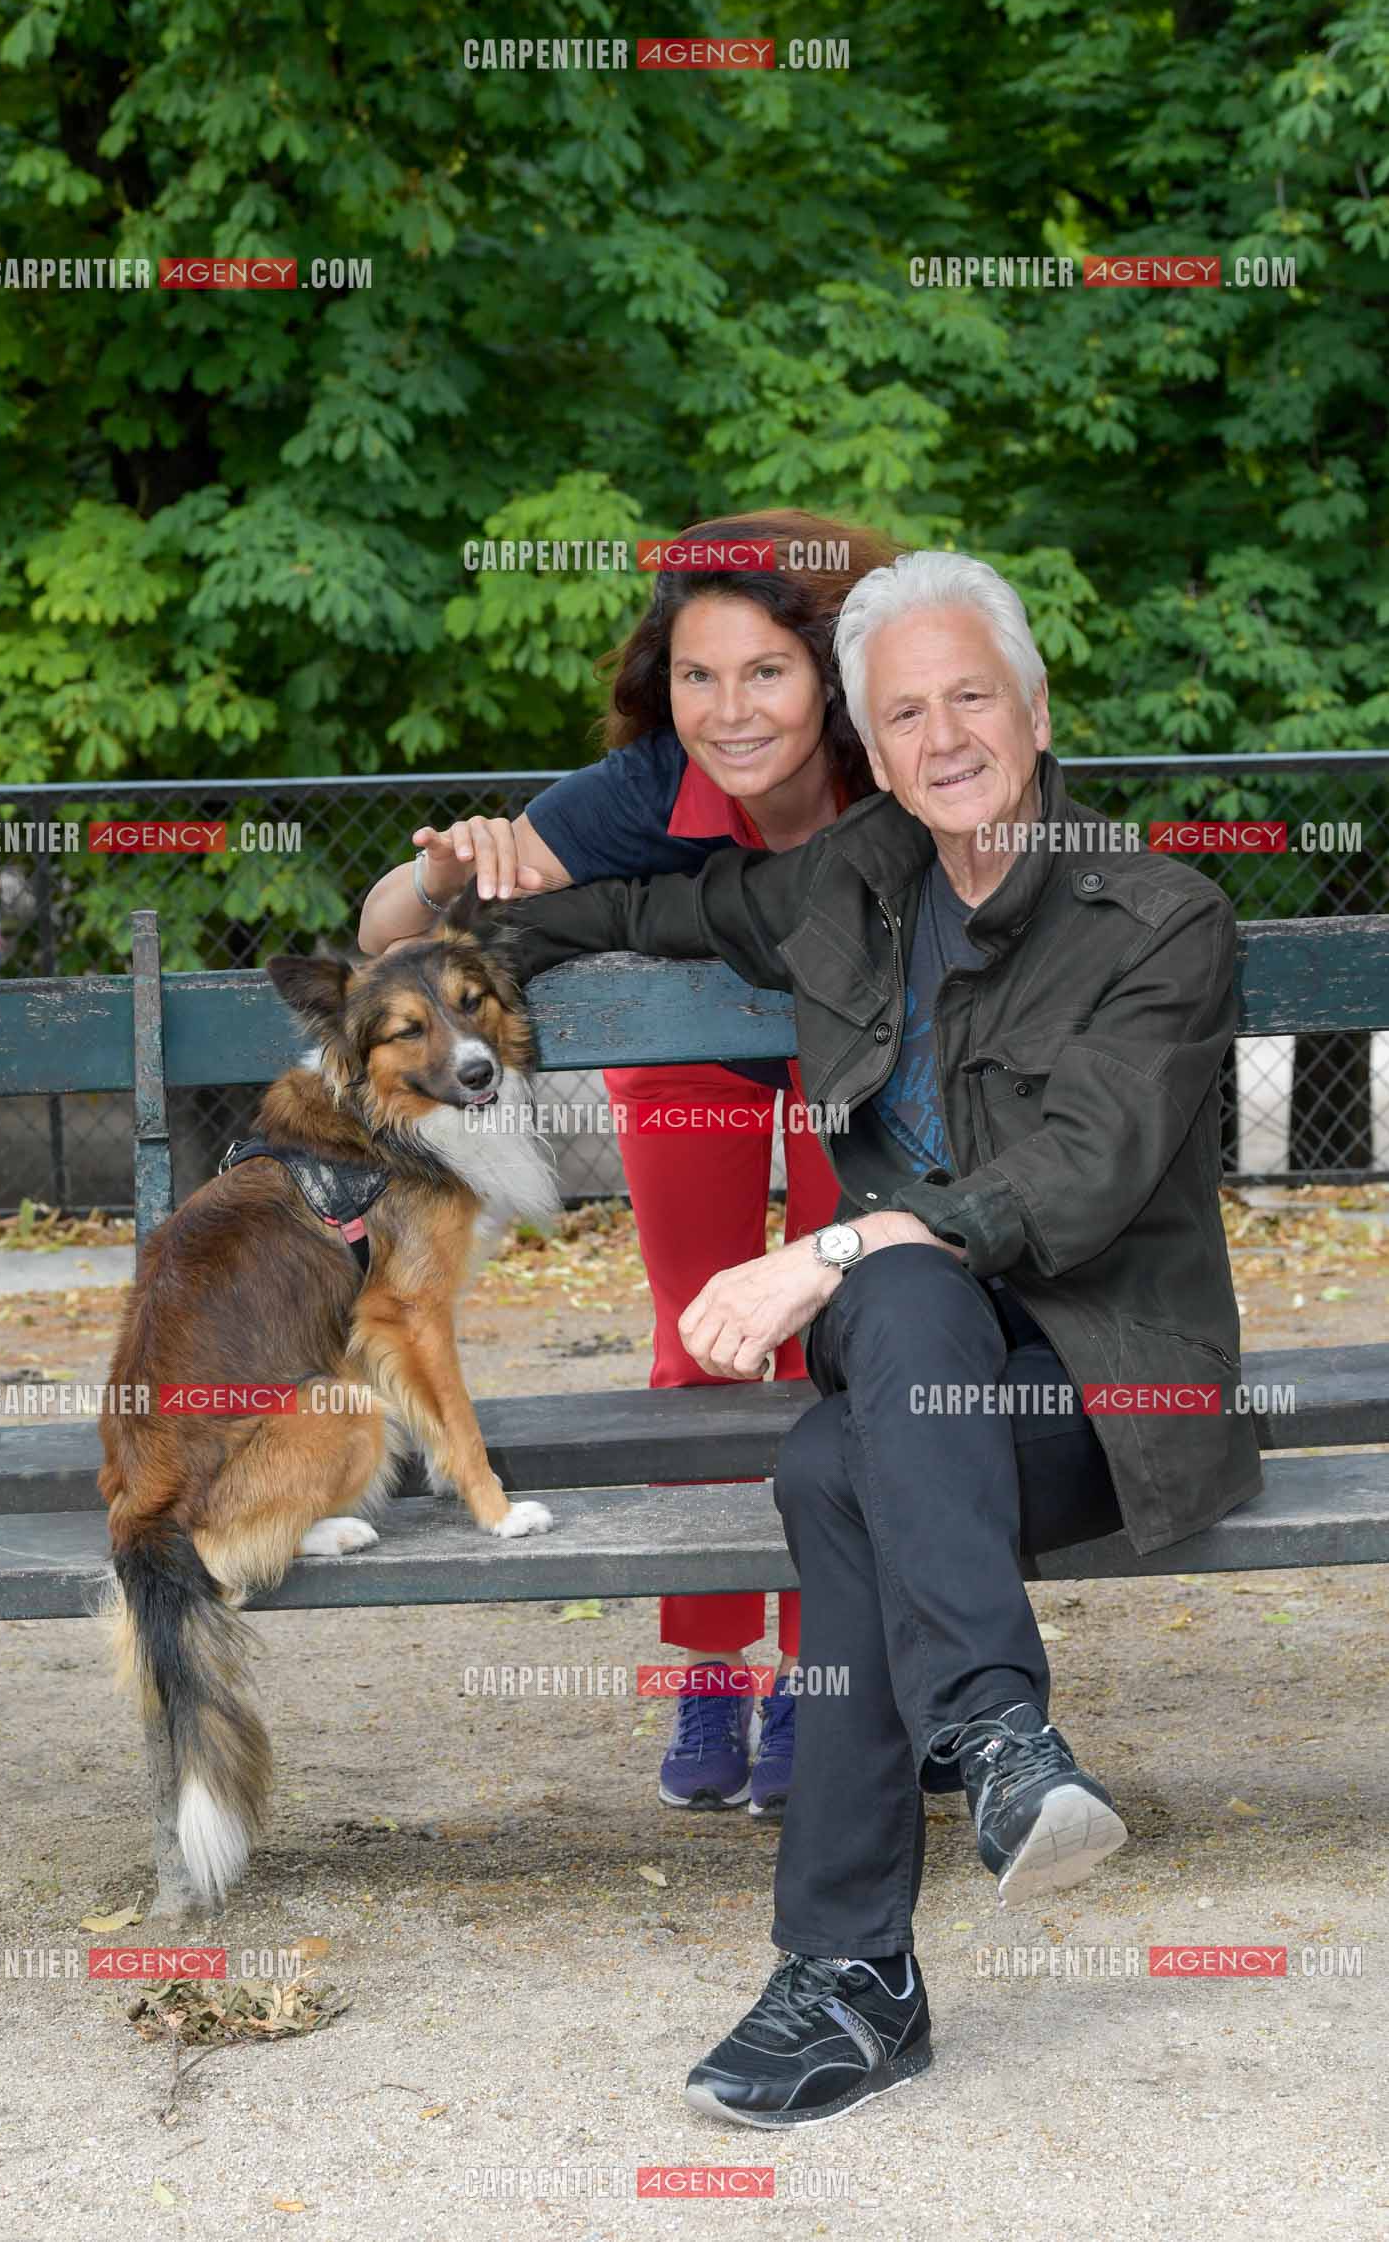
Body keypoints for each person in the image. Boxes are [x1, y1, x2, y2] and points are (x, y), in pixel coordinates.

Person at [486, 549, 1262, 2127]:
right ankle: (998, 1739)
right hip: (924, 1369)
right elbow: (638, 900)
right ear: (876, 744)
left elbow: (1077, 1177)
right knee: (898, 1312)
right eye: (904, 712)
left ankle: (855, 1977)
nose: (944, 734)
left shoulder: (1161, 915)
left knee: (838, 1461)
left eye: (972, 695)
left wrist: (822, 1245)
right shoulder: (850, 884)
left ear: (1037, 711)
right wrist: (458, 936)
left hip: (1102, 1398)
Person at [359, 510, 904, 1818]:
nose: (728, 709)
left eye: (765, 672)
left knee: (849, 1339)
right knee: (703, 1332)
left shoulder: (896, 765)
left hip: (860, 1080)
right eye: (696, 675)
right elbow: (386, 933)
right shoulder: (643, 788)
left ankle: (818, 1674)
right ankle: (711, 1667)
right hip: (699, 1078)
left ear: (828, 674)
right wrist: (437, 874)